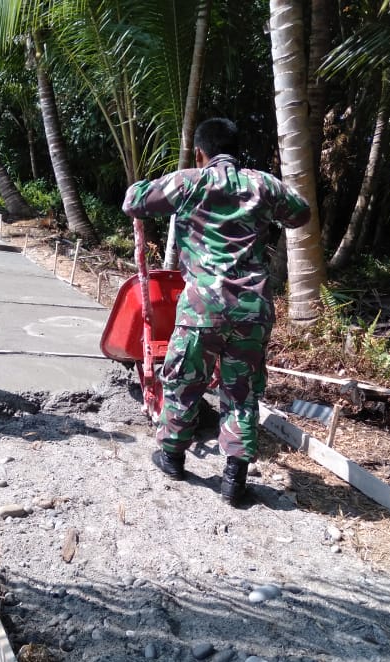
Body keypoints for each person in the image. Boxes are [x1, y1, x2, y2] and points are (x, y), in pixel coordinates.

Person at [122, 117, 311, 505]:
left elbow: (133, 201)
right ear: (237, 151)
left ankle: (173, 457)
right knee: (241, 391)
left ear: (199, 152)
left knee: (183, 379)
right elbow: (301, 213)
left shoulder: (189, 181)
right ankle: (234, 479)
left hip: (202, 307)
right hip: (251, 309)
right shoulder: (263, 184)